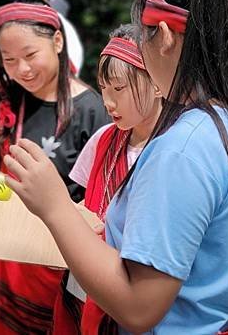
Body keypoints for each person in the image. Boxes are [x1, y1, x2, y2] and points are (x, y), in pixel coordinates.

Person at [3, 0, 228, 333]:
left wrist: (54, 206)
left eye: (144, 39)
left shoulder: (183, 149)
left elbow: (139, 307)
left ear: (167, 36)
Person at [0, 0, 109, 333]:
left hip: (56, 256)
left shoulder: (92, 111)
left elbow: (98, 200)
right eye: (10, 60)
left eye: (30, 56)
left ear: (57, 42)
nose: (22, 70)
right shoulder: (3, 98)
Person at [52, 24, 162, 334]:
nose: (108, 102)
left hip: (133, 293)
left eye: (119, 88)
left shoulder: (172, 151)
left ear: (157, 83)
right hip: (84, 285)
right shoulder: (103, 140)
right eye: (104, 88)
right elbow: (88, 206)